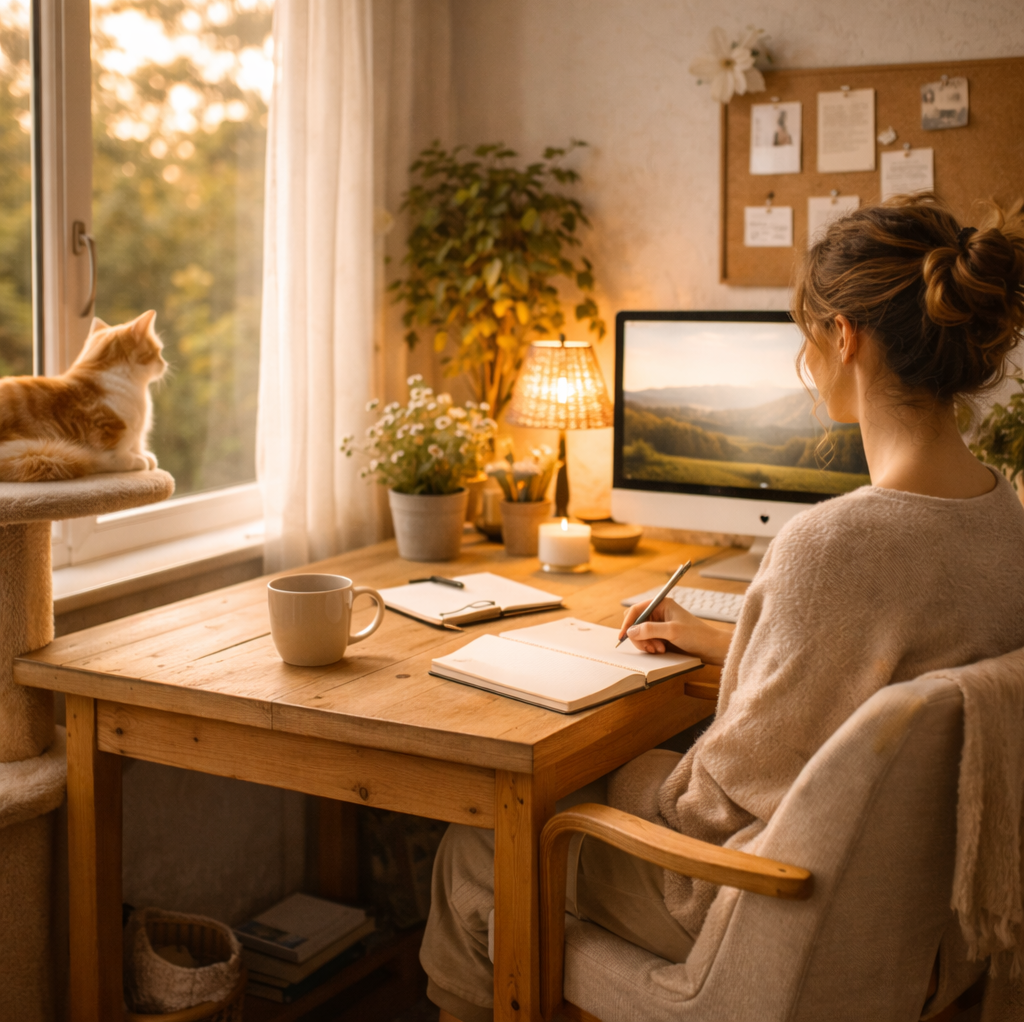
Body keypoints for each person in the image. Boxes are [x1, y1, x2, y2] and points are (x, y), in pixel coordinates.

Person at [420, 194, 1024, 1022]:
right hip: (919, 924)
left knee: (478, 842)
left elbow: (711, 812)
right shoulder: (1002, 517)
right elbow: (887, 650)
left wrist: (613, 780)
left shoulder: (833, 546)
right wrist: (733, 637)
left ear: (843, 338)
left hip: (754, 909)